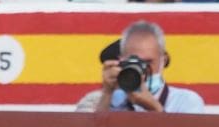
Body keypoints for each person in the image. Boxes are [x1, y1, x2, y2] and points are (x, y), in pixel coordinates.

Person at [75, 20, 204, 115]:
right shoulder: (104, 100)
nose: (141, 71)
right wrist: (107, 94)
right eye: (133, 62)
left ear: (163, 60)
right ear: (121, 60)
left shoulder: (185, 101)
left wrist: (154, 108)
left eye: (148, 62)